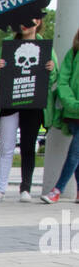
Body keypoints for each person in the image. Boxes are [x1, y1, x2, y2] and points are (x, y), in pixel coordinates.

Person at [0, 17, 56, 201]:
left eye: (32, 19)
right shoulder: (8, 45)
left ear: (39, 22)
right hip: (9, 103)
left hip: (33, 104)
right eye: (23, 19)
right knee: (6, 147)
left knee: (28, 147)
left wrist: (51, 69)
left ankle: (25, 188)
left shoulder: (46, 48)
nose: (26, 24)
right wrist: (0, 70)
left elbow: (53, 78)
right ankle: (0, 189)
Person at [42, 26, 79, 203]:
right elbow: (63, 82)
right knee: (77, 153)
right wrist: (73, 104)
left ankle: (57, 189)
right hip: (72, 114)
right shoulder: (73, 54)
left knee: (75, 153)